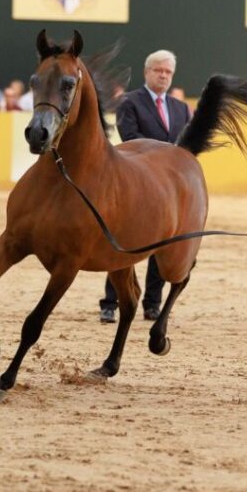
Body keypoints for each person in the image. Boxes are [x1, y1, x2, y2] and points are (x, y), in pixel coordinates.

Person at [98, 49, 193, 323]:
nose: (163, 76)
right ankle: (110, 302)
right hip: (135, 184)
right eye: (158, 71)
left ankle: (153, 303)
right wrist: (165, 155)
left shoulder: (180, 109)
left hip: (167, 190)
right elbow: (130, 138)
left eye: (168, 72)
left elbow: (185, 147)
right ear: (147, 72)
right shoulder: (129, 102)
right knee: (123, 242)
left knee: (162, 243)